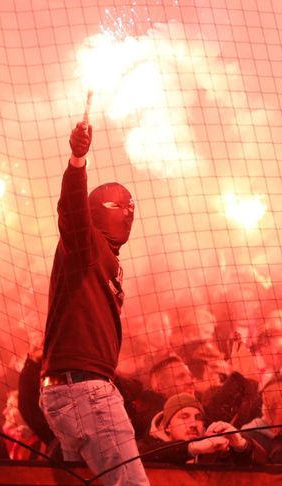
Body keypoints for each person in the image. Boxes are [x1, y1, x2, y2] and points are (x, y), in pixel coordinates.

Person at [38, 120, 149, 485]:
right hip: (86, 391)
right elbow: (71, 214)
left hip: (67, 391)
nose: (128, 212)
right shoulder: (86, 247)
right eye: (118, 205)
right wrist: (77, 162)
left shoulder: (106, 258)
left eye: (132, 205)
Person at [138, 393, 261, 465]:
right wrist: (192, 448)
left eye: (198, 418)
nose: (193, 423)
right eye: (184, 417)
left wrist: (242, 446)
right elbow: (142, 457)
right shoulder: (147, 449)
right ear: (167, 427)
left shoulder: (217, 453)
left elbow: (263, 471)